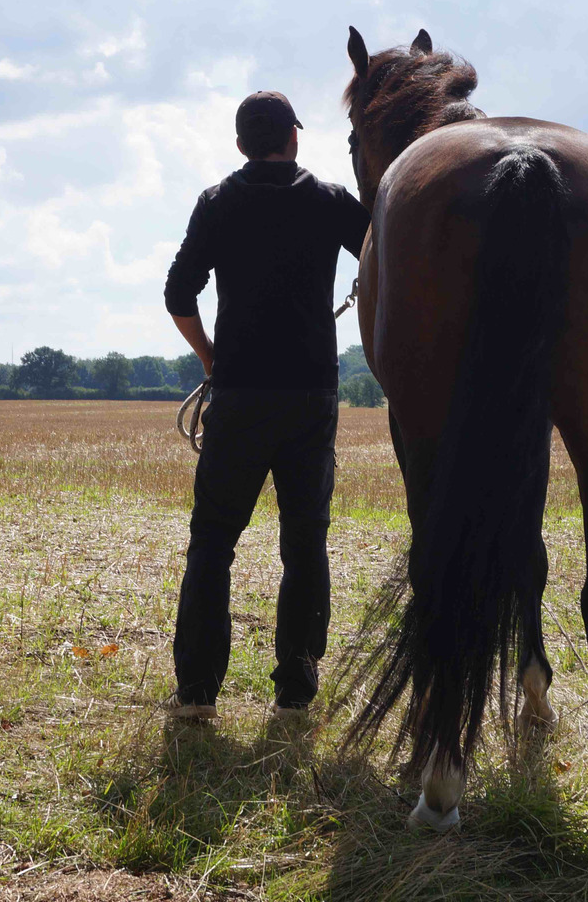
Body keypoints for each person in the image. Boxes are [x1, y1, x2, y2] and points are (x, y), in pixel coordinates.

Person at [163, 90, 371, 719]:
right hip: (311, 398)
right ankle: (295, 693)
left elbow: (178, 294)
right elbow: (383, 256)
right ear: (295, 138)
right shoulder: (331, 201)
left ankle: (197, 695)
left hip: (240, 396)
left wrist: (211, 358)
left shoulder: (217, 202)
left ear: (239, 144)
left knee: (212, 543)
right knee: (305, 541)